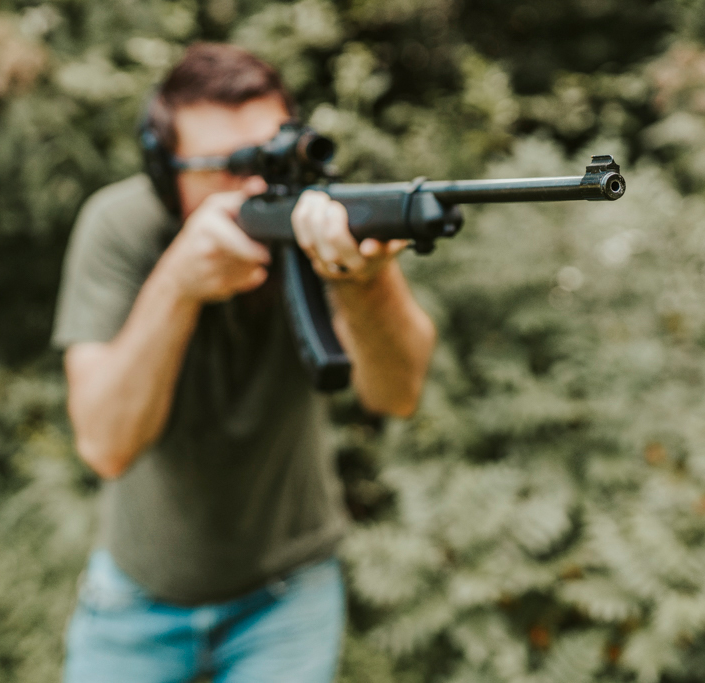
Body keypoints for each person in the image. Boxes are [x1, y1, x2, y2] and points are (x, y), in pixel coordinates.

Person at [52, 43, 435, 683]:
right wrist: (176, 284)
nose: (256, 183)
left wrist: (366, 281)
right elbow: (104, 444)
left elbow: (396, 394)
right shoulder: (119, 227)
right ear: (163, 169)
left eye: (273, 152)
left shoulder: (321, 220)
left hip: (290, 593)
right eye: (227, 165)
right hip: (137, 597)